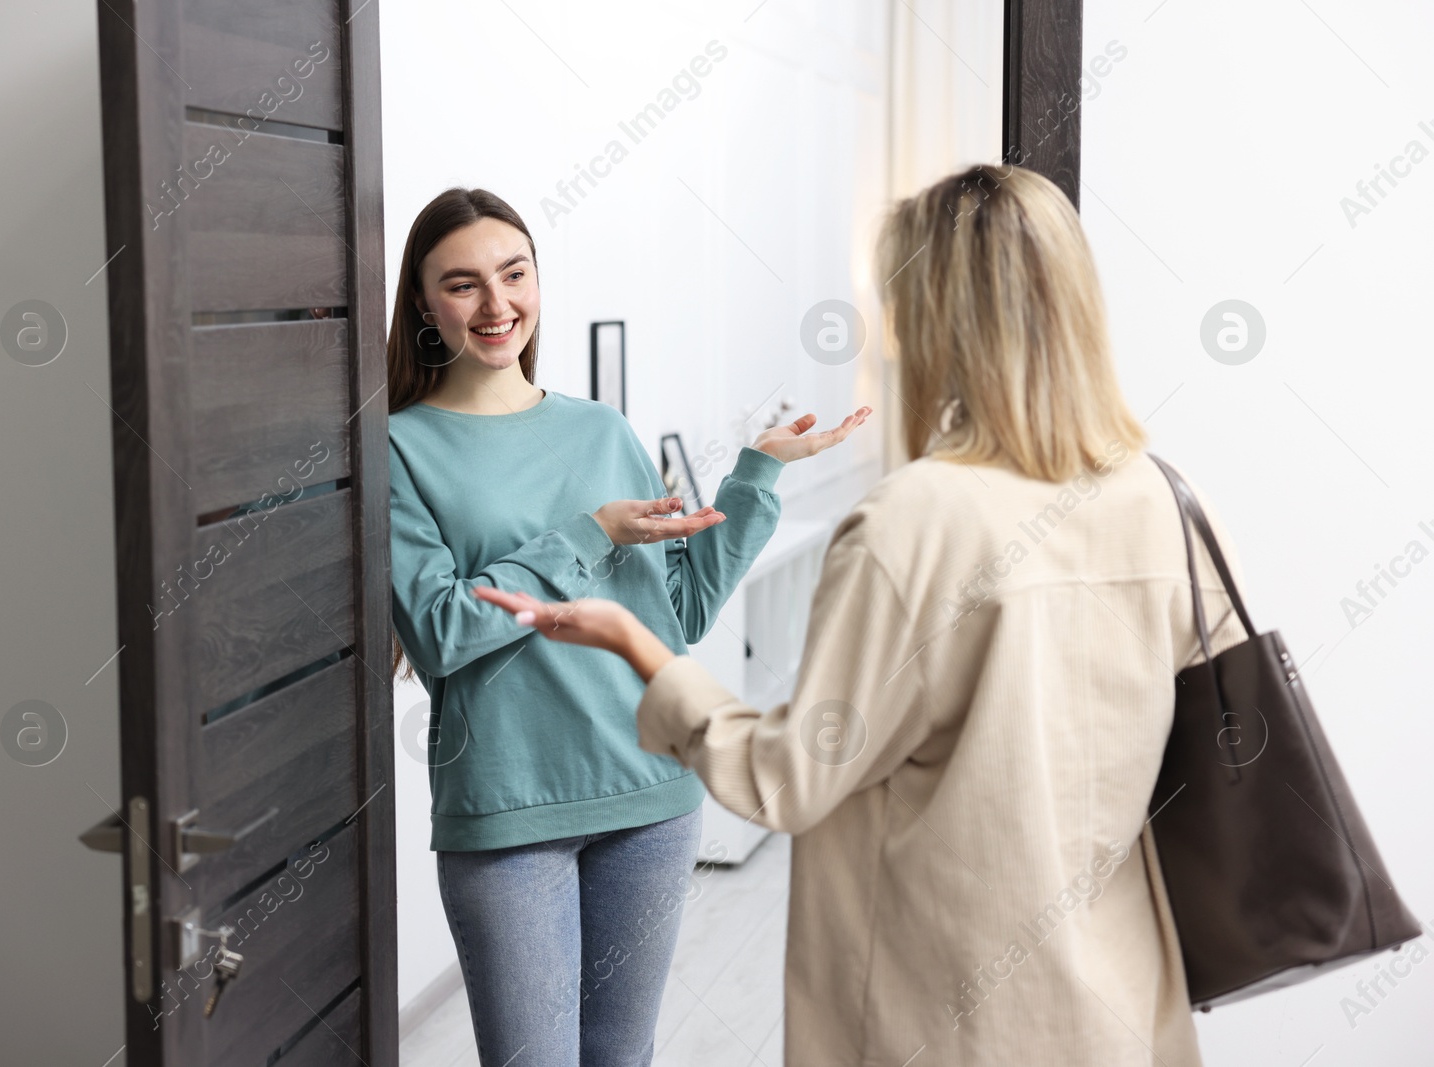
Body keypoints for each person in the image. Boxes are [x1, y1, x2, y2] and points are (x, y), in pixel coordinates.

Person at [477, 164, 1247, 1067]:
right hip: (1124, 1009)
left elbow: (787, 777)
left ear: (935, 322)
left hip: (951, 1018)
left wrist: (635, 644)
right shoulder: (1165, 499)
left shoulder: (913, 520)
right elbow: (1218, 746)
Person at [385, 186, 870, 1067]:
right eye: (462, 285)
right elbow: (440, 630)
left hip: (649, 797)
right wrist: (591, 533)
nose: (497, 306)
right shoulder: (399, 448)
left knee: (622, 1057)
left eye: (514, 274)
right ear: (423, 302)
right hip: (508, 811)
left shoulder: (599, 429)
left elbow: (673, 613)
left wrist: (756, 474)